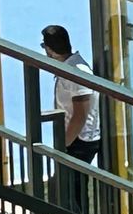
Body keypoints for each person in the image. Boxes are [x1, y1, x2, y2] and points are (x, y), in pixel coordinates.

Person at [41, 25, 101, 164]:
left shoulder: (77, 72)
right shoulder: (68, 68)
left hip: (79, 141)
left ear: (49, 50)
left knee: (72, 184)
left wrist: (64, 145)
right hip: (73, 139)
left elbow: (80, 115)